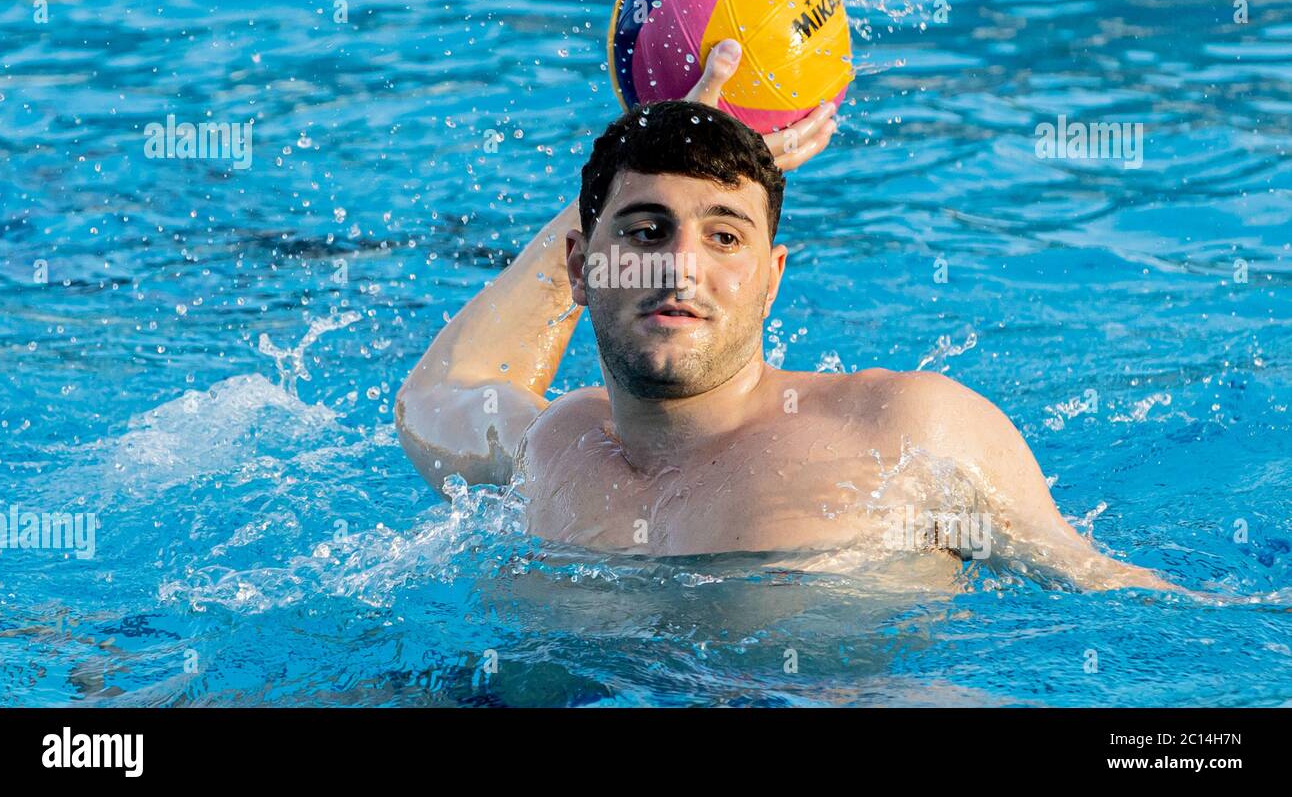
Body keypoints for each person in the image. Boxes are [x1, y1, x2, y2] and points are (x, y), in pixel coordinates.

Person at [395, 39, 1181, 592]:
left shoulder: (907, 430)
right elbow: (439, 394)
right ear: (579, 266)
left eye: (724, 235)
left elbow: (1118, 599)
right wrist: (646, 144)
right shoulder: (550, 448)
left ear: (772, 278)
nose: (680, 264)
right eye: (643, 230)